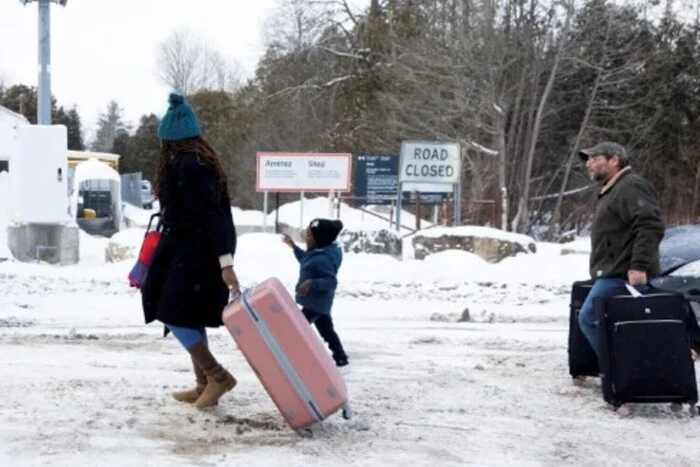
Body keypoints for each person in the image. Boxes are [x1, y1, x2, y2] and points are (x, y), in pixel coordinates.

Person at [141, 93, 240, 409]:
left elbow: (213, 216)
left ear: (170, 138)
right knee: (188, 315)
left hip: (198, 253)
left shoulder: (191, 166)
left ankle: (218, 376)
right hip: (188, 250)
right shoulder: (193, 162)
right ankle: (203, 384)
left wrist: (225, 261)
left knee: (173, 314)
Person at [575, 141, 666, 380]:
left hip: (624, 272)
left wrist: (639, 266)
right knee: (621, 324)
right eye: (588, 159)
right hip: (614, 271)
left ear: (614, 160)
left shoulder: (631, 186)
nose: (589, 163)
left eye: (594, 158)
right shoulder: (613, 189)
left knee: (589, 318)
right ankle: (632, 373)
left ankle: (623, 374)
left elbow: (649, 225)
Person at [282, 218, 350, 372]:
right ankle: (342, 360)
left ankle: (292, 358)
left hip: (316, 304)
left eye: (309, 236)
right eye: (306, 234)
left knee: (297, 328)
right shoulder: (315, 253)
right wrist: (293, 247)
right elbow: (305, 261)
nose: (306, 238)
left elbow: (331, 282)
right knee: (327, 331)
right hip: (317, 303)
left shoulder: (324, 259)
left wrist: (312, 283)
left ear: (319, 239)